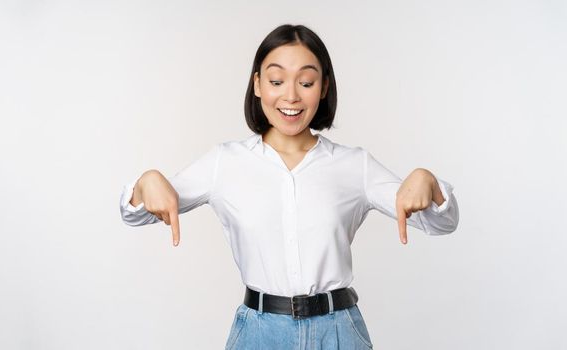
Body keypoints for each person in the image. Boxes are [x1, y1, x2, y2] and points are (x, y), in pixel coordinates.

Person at [119, 24, 459, 350]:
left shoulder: (355, 166)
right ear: (257, 85)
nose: (291, 95)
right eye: (277, 80)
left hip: (338, 332)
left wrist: (428, 182)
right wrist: (146, 182)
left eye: (307, 81)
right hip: (259, 333)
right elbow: (137, 213)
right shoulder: (225, 162)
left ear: (324, 87)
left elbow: (441, 222)